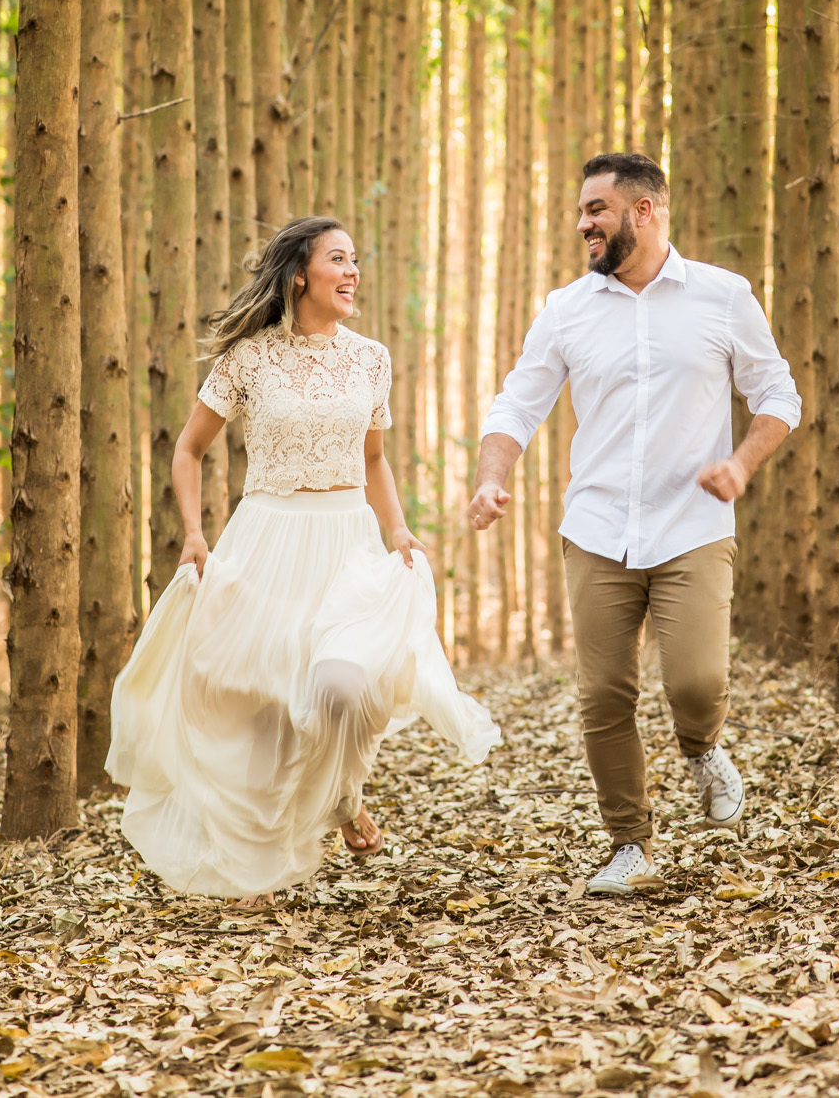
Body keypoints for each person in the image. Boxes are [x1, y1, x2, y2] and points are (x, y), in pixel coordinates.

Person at [107, 216, 500, 900]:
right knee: (263, 702)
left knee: (344, 687)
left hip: (346, 545)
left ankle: (341, 792)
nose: (352, 273)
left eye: (355, 260)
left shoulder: (370, 358)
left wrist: (399, 531)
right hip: (266, 540)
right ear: (300, 275)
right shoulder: (247, 360)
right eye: (338, 260)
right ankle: (286, 831)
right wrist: (195, 534)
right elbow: (188, 449)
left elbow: (373, 459)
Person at [469, 153, 800, 896]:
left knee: (695, 680)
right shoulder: (566, 309)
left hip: (693, 525)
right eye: (582, 211)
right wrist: (492, 478)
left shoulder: (722, 296)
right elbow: (517, 404)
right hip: (596, 528)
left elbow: (777, 393)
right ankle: (630, 845)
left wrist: (741, 465)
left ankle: (701, 746)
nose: (583, 223)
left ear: (643, 211)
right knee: (603, 696)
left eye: (597, 210)